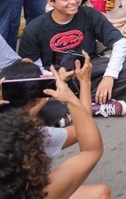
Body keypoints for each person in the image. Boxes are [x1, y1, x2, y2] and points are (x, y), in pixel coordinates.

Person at [18, 0, 126, 117]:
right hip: (55, 77)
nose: (73, 2)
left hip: (89, 70)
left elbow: (121, 43)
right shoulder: (34, 28)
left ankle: (73, 108)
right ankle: (90, 106)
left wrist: (109, 76)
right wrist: (55, 77)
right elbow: (29, 67)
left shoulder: (89, 14)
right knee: (29, 93)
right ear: (51, 1)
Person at [0, 58, 111, 198]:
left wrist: (44, 97)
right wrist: (81, 85)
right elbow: (87, 139)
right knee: (100, 194)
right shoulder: (34, 136)